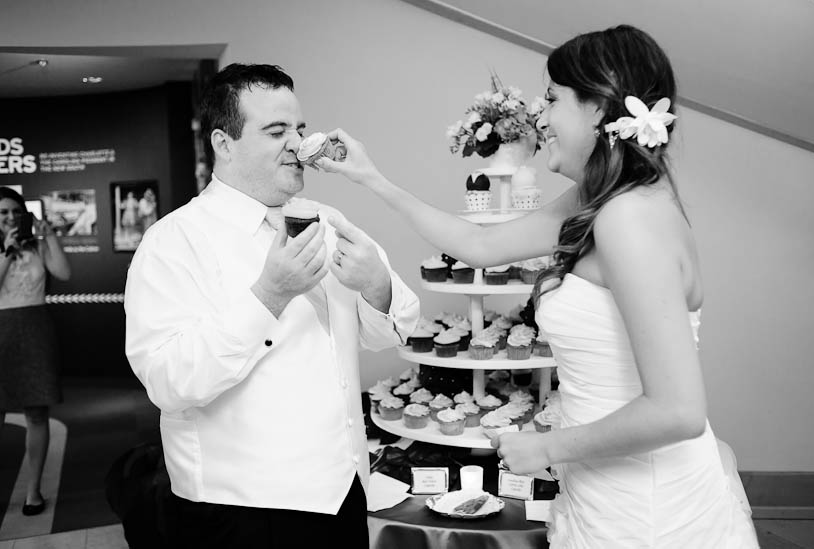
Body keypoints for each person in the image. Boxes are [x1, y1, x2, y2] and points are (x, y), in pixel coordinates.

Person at [318, 25, 758, 547]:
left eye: (551, 99)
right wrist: (372, 179)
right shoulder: (600, 201)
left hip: (649, 507)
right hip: (602, 487)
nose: (540, 118)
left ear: (597, 107)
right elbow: (479, 246)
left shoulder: (628, 220)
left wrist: (545, 448)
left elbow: (678, 411)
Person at [124, 63, 419, 548]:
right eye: (277, 130)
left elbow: (394, 329)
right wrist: (269, 296)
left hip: (343, 494)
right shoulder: (173, 242)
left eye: (300, 128)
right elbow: (169, 381)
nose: (299, 143)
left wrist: (378, 286)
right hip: (239, 513)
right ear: (224, 143)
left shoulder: (326, 219)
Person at [0, 186, 71, 516]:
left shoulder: (37, 244)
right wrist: (5, 251)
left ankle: (33, 491)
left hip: (36, 330)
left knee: (36, 413)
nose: (11, 218)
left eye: (16, 211)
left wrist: (49, 238)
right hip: (2, 333)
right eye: (3, 213)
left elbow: (64, 273)